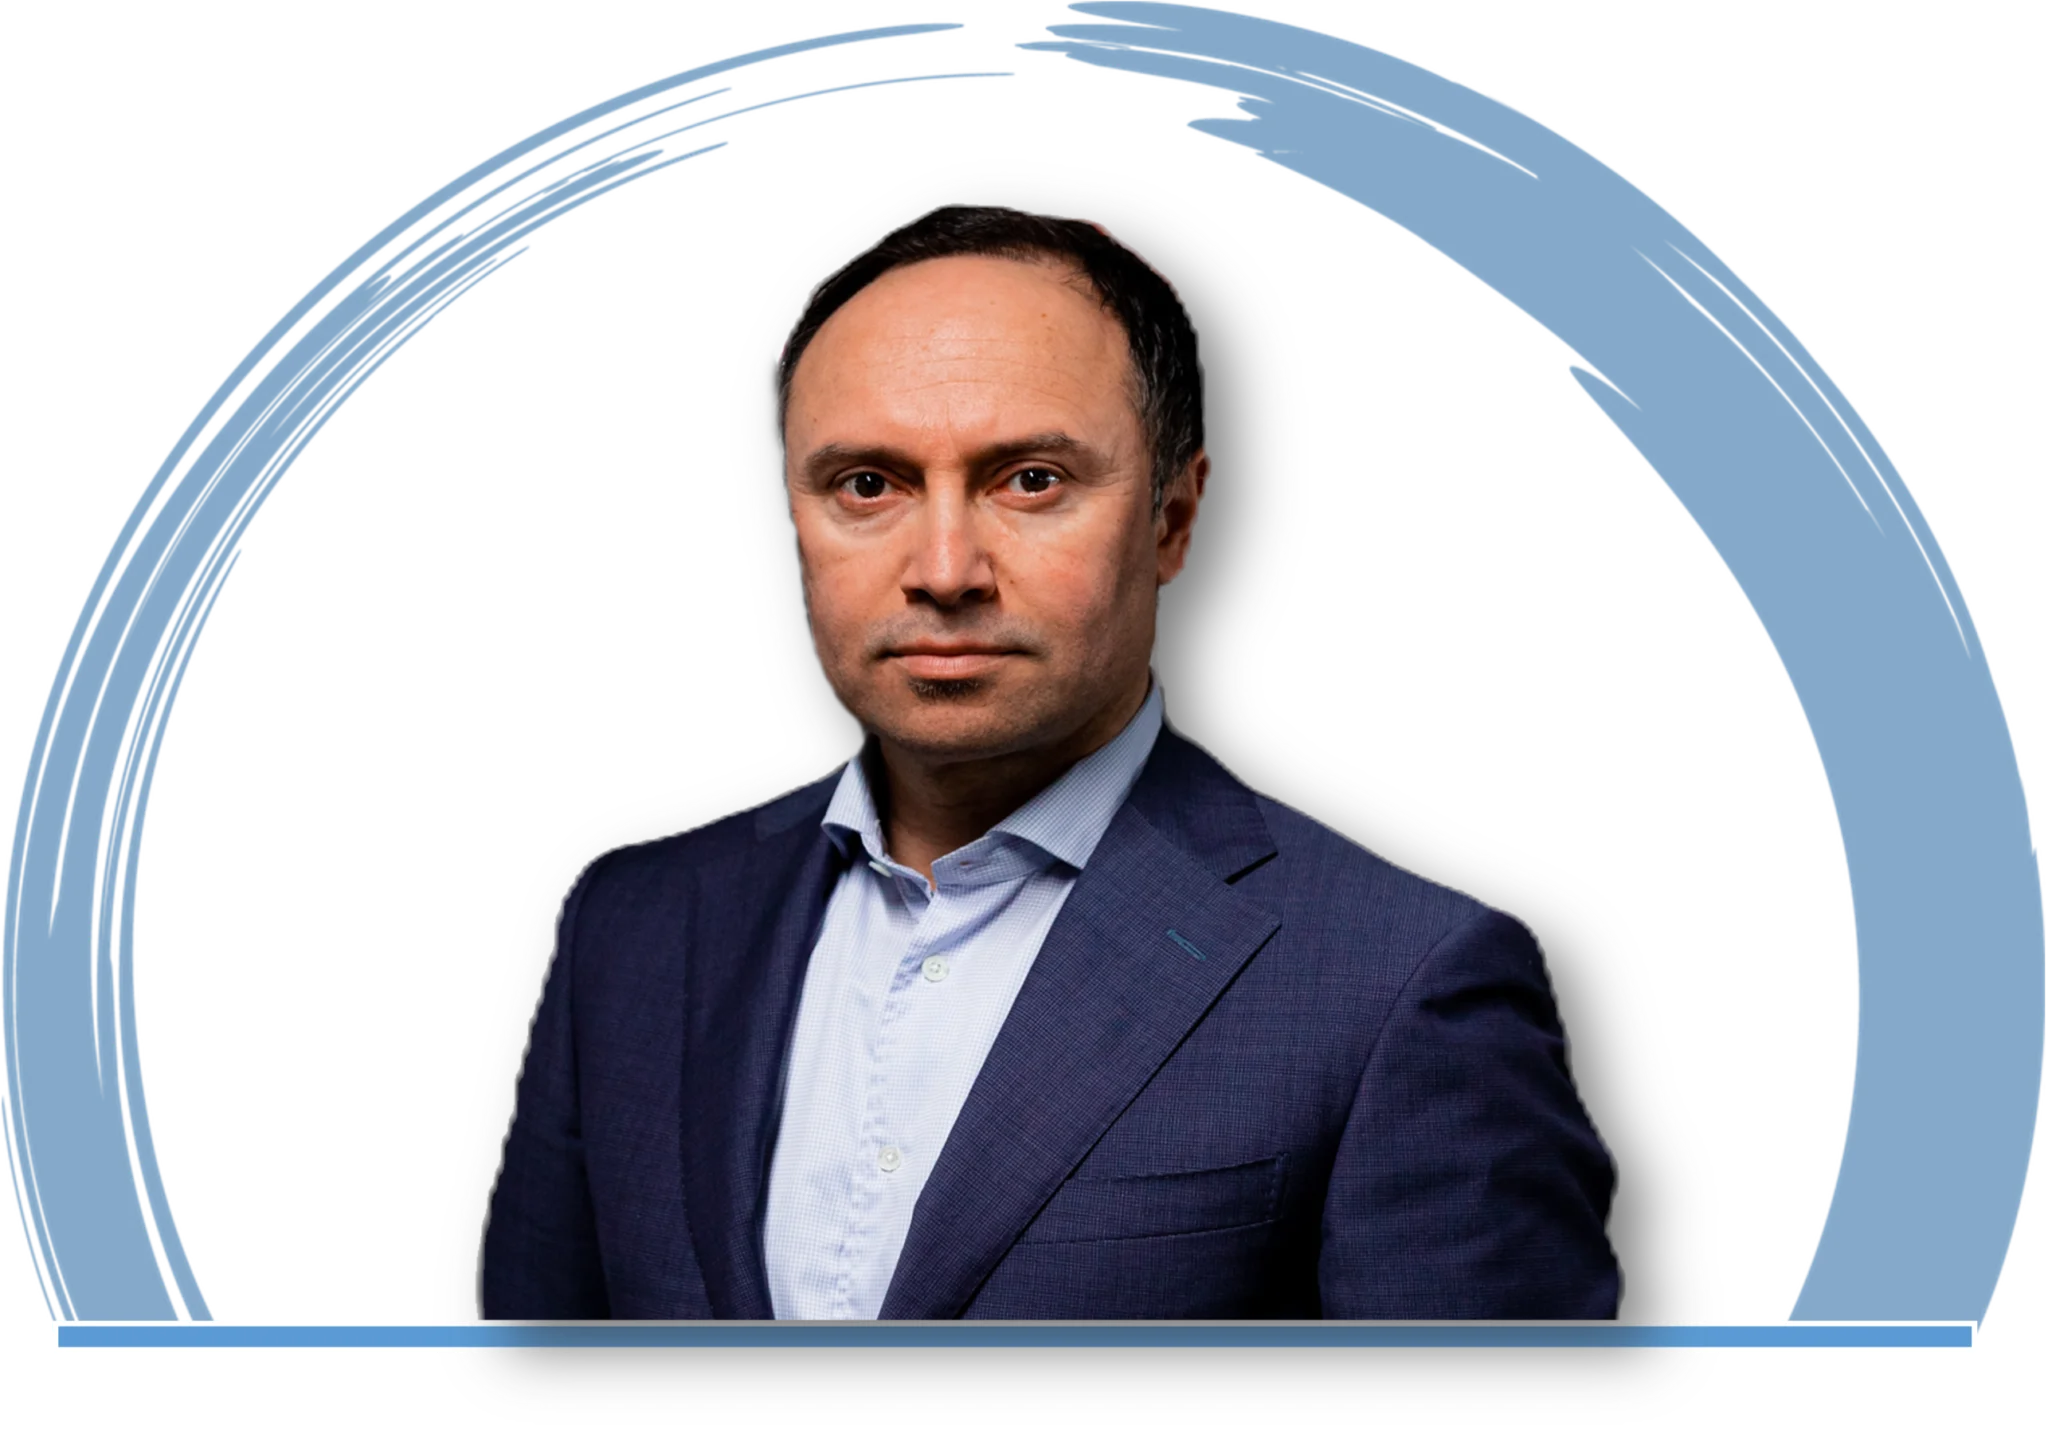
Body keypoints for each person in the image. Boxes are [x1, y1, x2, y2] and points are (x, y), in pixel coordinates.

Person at [475, 200, 1623, 1321]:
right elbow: (536, 1384)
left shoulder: (1399, 978)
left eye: (1030, 479)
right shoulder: (627, 925)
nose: (943, 570)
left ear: (1171, 519)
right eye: (866, 484)